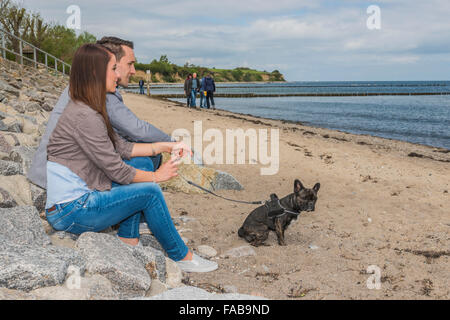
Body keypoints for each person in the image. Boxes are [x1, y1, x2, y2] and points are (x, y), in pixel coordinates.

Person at [44, 43, 218, 273]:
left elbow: (123, 148)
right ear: (96, 73)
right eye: (114, 68)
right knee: (150, 191)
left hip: (75, 203)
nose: (119, 75)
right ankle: (181, 257)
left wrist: (167, 146)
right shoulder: (84, 116)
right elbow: (118, 171)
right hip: (70, 211)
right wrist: (157, 176)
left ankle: (128, 239)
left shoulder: (89, 108)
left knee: (141, 164)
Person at [28, 37, 174, 190]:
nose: (133, 71)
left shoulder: (86, 86)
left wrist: (163, 145)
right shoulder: (96, 94)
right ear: (108, 63)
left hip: (49, 172)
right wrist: (171, 143)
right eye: (130, 64)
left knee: (148, 154)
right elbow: (138, 130)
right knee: (145, 162)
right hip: (59, 181)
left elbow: (120, 142)